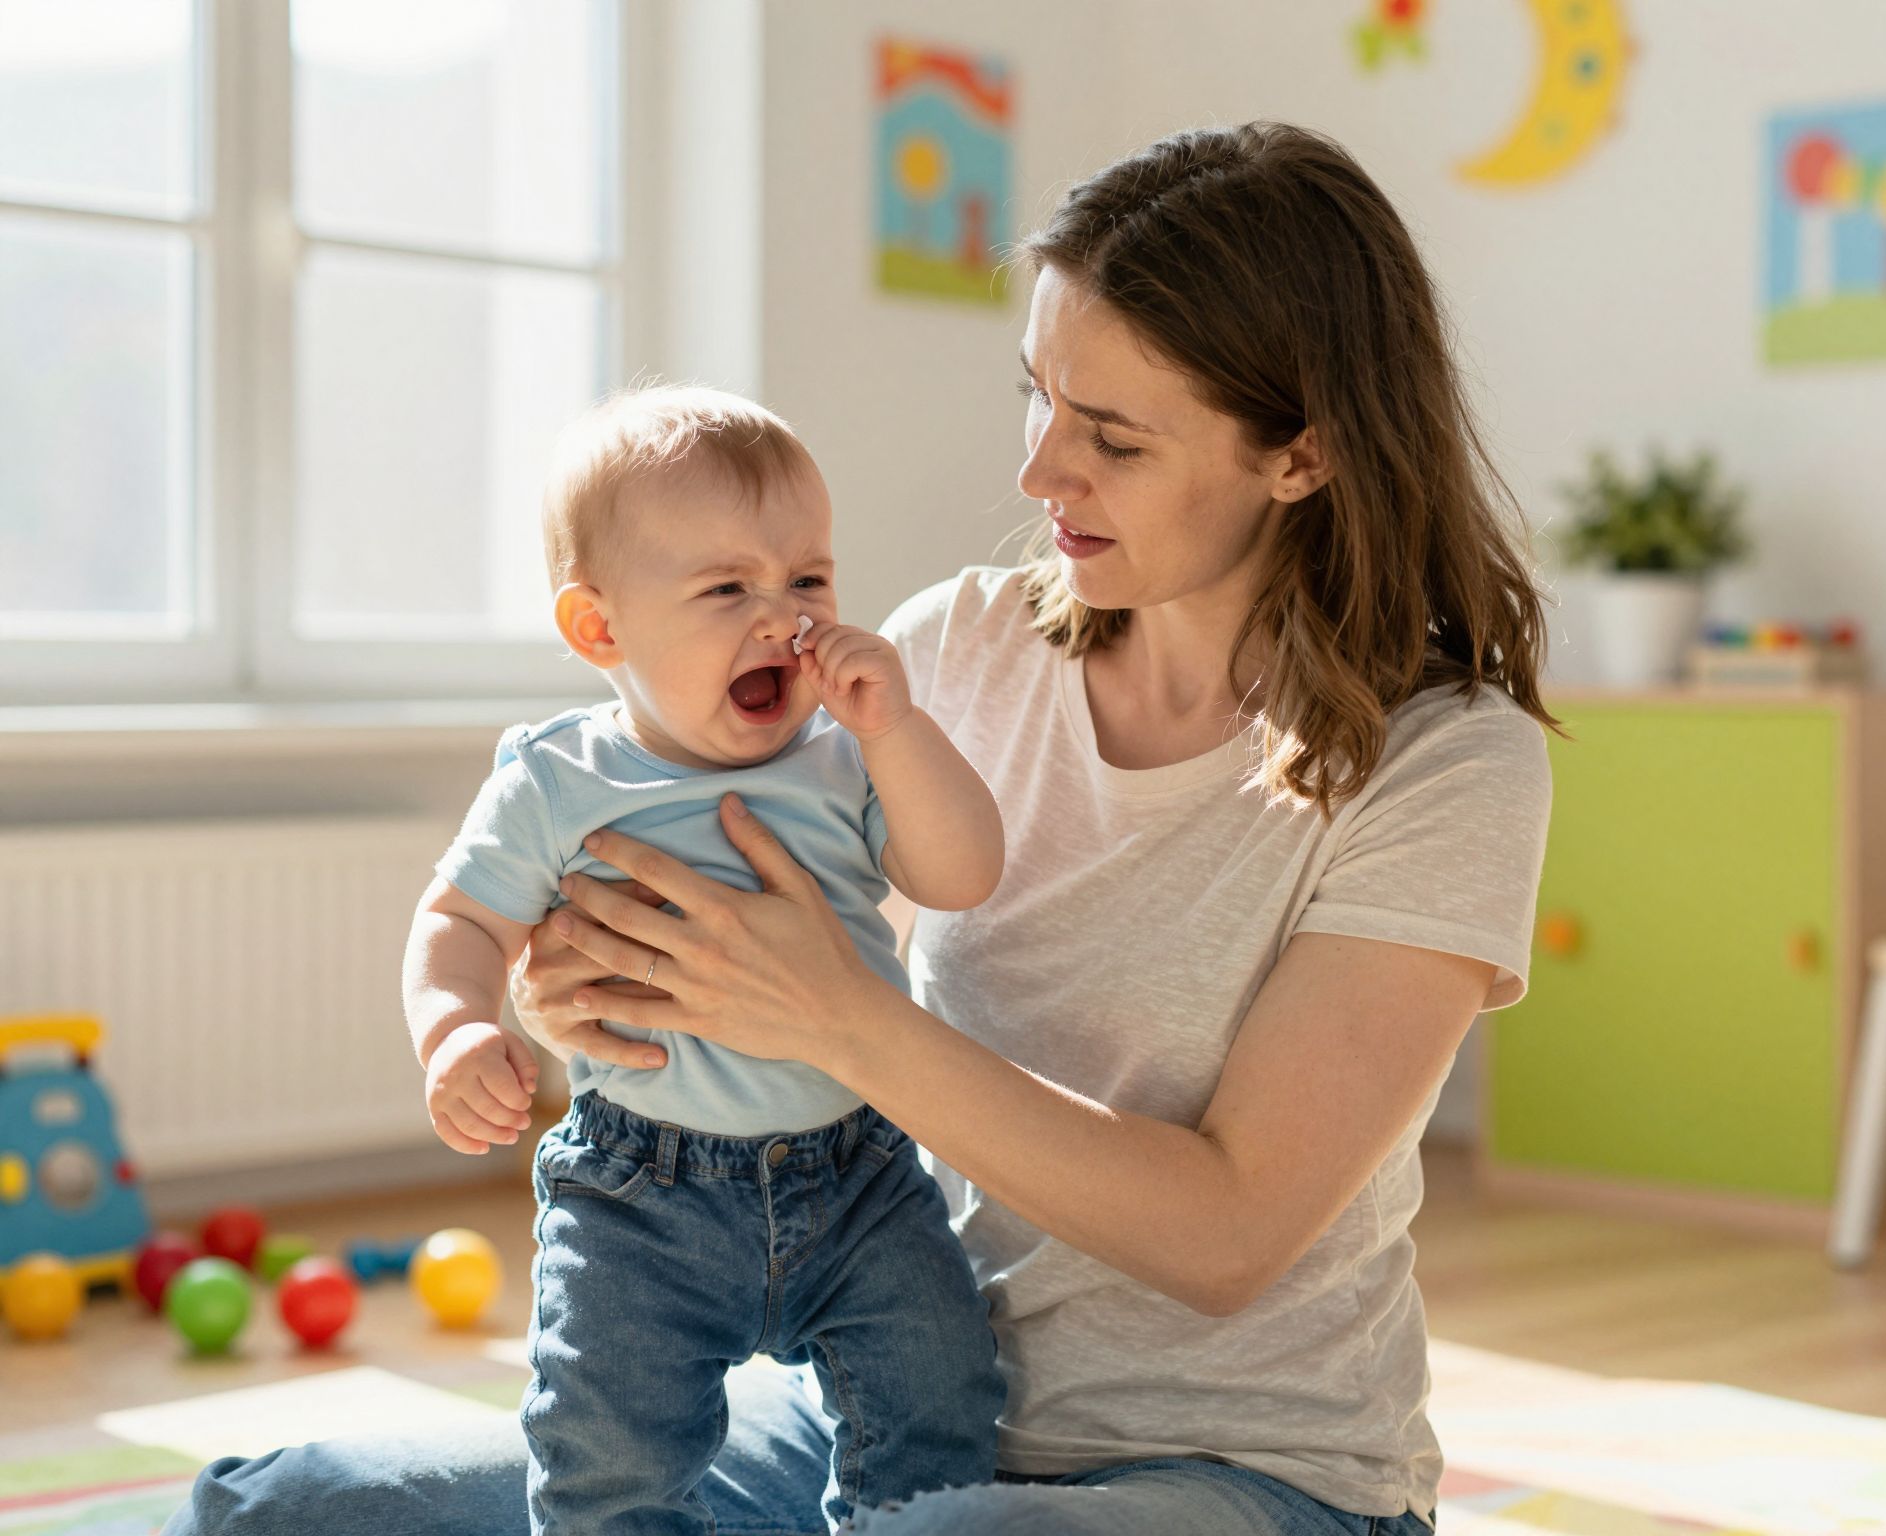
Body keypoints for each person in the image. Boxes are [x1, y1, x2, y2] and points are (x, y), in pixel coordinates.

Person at [167, 119, 1556, 1536]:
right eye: (1041, 398)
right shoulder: (950, 647)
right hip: (884, 1402)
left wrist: (839, 1021)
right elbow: (749, 953)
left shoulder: (1447, 763)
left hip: (1236, 1475)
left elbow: (1228, 1233)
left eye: (1114, 439)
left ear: (1303, 457)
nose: (1039, 475)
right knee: (289, 1508)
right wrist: (579, 981)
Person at [403, 384, 1005, 1532]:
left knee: (941, 1410)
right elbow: (460, 923)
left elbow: (960, 874)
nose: (781, 617)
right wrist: (457, 1026)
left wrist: (896, 731)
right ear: (600, 629)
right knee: (604, 1459)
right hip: (643, 1194)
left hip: (859, 1173)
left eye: (809, 580)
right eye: (728, 587)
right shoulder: (555, 780)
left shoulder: (842, 758)